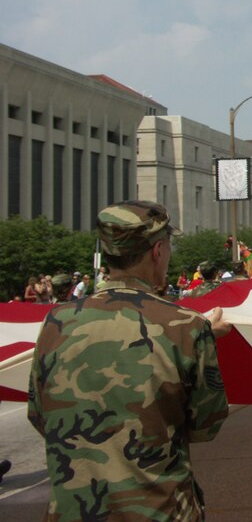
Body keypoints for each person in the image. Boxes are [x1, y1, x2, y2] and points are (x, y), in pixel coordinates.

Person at [27, 200, 230, 520]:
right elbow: (207, 424)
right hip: (159, 512)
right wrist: (202, 341)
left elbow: (40, 415)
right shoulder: (186, 326)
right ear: (157, 251)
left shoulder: (56, 323)